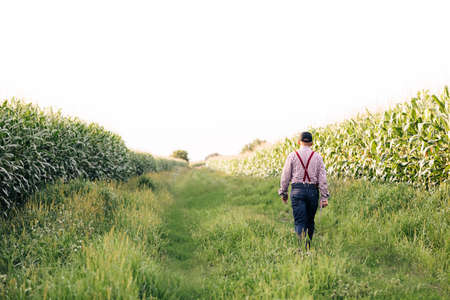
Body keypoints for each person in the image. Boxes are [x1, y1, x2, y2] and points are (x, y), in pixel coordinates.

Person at [278, 131, 329, 252]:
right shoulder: (317, 157)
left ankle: (300, 249)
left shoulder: (292, 155)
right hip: (312, 191)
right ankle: (308, 247)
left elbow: (285, 176)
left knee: (299, 221)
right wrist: (324, 197)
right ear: (311, 143)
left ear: (299, 142)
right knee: (310, 221)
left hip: (297, 191)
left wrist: (283, 192)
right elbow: (322, 178)